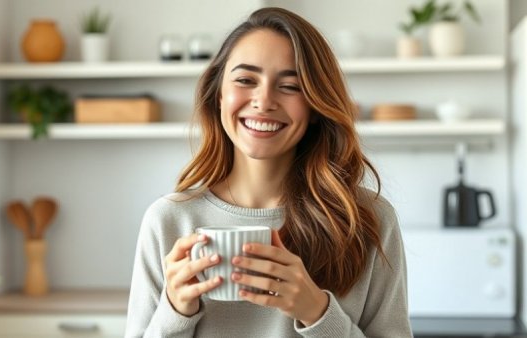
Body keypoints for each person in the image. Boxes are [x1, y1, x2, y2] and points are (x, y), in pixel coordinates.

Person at [125, 7, 412, 338]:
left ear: (316, 107)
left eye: (290, 86)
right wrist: (174, 312)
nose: (263, 101)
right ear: (219, 95)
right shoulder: (169, 221)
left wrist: (316, 312)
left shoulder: (367, 220)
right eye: (246, 80)